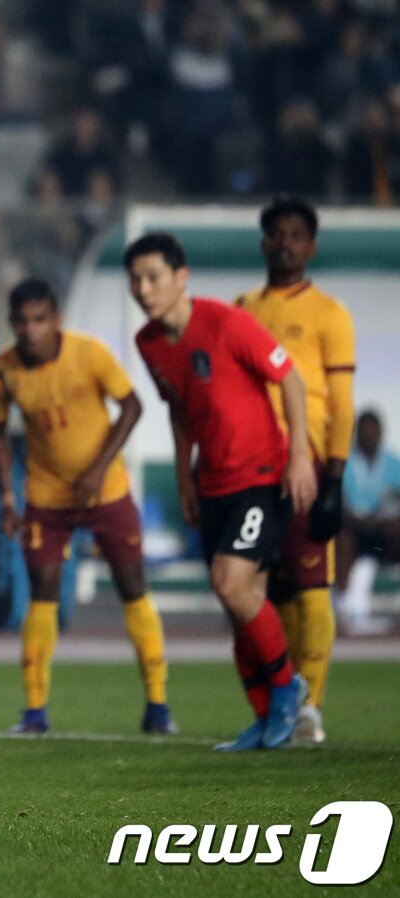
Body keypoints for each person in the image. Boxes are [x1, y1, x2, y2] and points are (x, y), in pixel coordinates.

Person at [129, 232, 316, 752]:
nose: (143, 289)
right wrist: (185, 477)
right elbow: (178, 408)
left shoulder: (229, 323)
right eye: (136, 280)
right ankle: (265, 719)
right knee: (239, 601)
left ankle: (285, 690)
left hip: (261, 475)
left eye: (153, 277)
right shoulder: (149, 344)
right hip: (211, 484)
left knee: (230, 583)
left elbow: (291, 380)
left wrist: (300, 454)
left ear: (181, 277)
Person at [0, 278, 174, 736]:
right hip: (47, 498)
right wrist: (10, 499)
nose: (30, 331)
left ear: (56, 320)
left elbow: (131, 407)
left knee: (133, 587)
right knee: (42, 593)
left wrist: (97, 470)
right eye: (22, 322)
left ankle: (157, 703)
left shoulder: (90, 354)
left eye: (39, 320)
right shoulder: (2, 372)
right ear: (12, 323)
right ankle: (34, 711)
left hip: (106, 492)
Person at [235, 197, 355, 744]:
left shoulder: (330, 314)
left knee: (312, 587)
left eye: (295, 235)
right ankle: (284, 699)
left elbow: (342, 403)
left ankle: (313, 707)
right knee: (269, 592)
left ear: (312, 246)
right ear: (262, 243)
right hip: (251, 470)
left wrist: (334, 476)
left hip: (303, 469)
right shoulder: (242, 311)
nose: (284, 243)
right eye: (275, 234)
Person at [337, 410, 400, 636]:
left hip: (384, 535)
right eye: (364, 431)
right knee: (345, 538)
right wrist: (360, 521)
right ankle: (346, 610)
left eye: (373, 430)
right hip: (353, 531)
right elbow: (340, 502)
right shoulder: (345, 462)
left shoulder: (393, 463)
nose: (369, 435)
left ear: (381, 433)